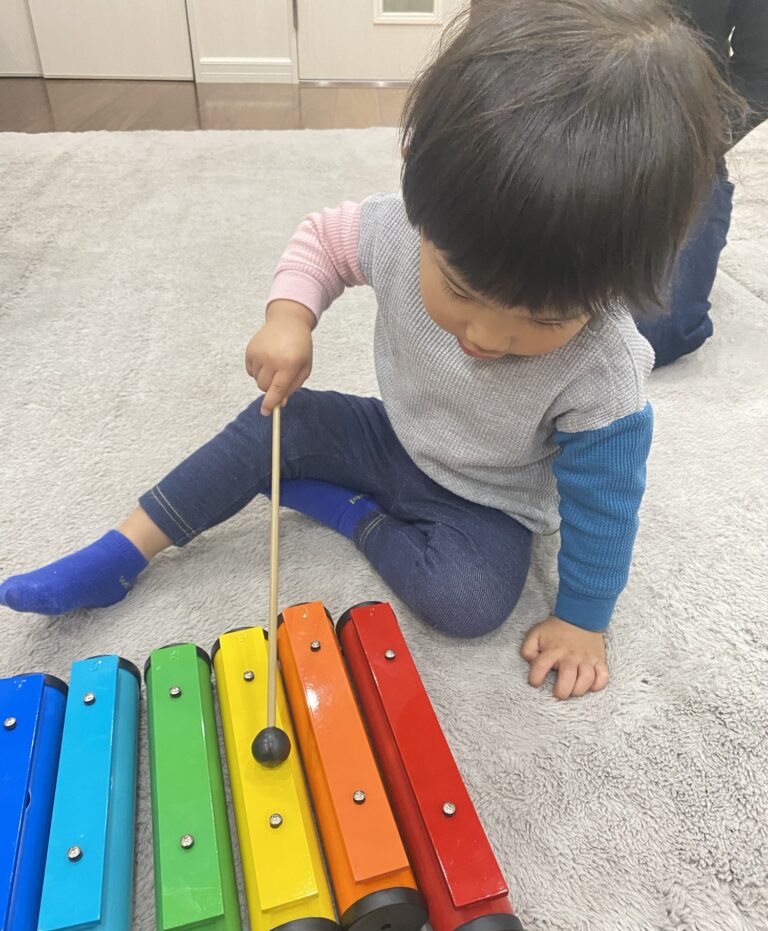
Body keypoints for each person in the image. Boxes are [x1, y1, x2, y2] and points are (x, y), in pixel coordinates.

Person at [0, 0, 738, 699]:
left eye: (540, 320)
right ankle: (122, 551)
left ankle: (353, 513)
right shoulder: (399, 228)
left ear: (616, 285)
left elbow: (607, 507)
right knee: (276, 420)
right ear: (418, 193)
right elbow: (324, 240)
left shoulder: (604, 371)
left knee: (470, 602)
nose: (485, 337)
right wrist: (290, 317)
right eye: (461, 290)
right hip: (392, 435)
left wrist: (582, 620)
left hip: (493, 502)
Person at [636, 0, 768, 365]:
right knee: (513, 297)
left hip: (681, 143)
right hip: (558, 129)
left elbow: (761, 70)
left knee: (656, 331)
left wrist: (703, 137)